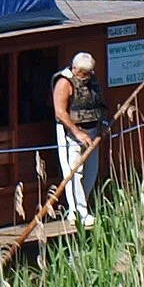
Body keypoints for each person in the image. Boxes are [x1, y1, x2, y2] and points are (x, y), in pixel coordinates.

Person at [51, 50, 107, 229]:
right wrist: (77, 133)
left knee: (92, 171)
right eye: (82, 73)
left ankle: (80, 207)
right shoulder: (64, 82)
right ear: (74, 69)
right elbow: (60, 112)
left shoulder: (93, 80)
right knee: (75, 172)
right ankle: (81, 212)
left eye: (88, 73)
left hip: (93, 132)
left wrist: (102, 124)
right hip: (73, 134)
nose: (85, 77)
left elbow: (99, 103)